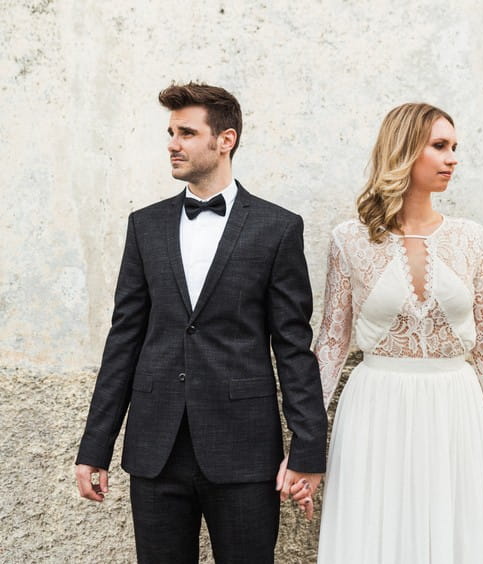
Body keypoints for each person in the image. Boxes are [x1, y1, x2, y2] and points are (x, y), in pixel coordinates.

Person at [75, 82, 326, 564]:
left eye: (186, 132)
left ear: (225, 139)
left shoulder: (278, 228)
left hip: (245, 449)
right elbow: (124, 339)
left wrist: (309, 451)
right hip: (157, 450)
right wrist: (95, 448)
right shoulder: (144, 225)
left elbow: (294, 346)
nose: (172, 143)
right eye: (170, 132)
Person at [314, 103, 483, 564]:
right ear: (405, 150)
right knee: (373, 539)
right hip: (375, 410)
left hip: (457, 412)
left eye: (454, 147)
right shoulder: (349, 239)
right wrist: (304, 445)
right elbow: (330, 346)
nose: (453, 159)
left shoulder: (471, 238)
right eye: (439, 146)